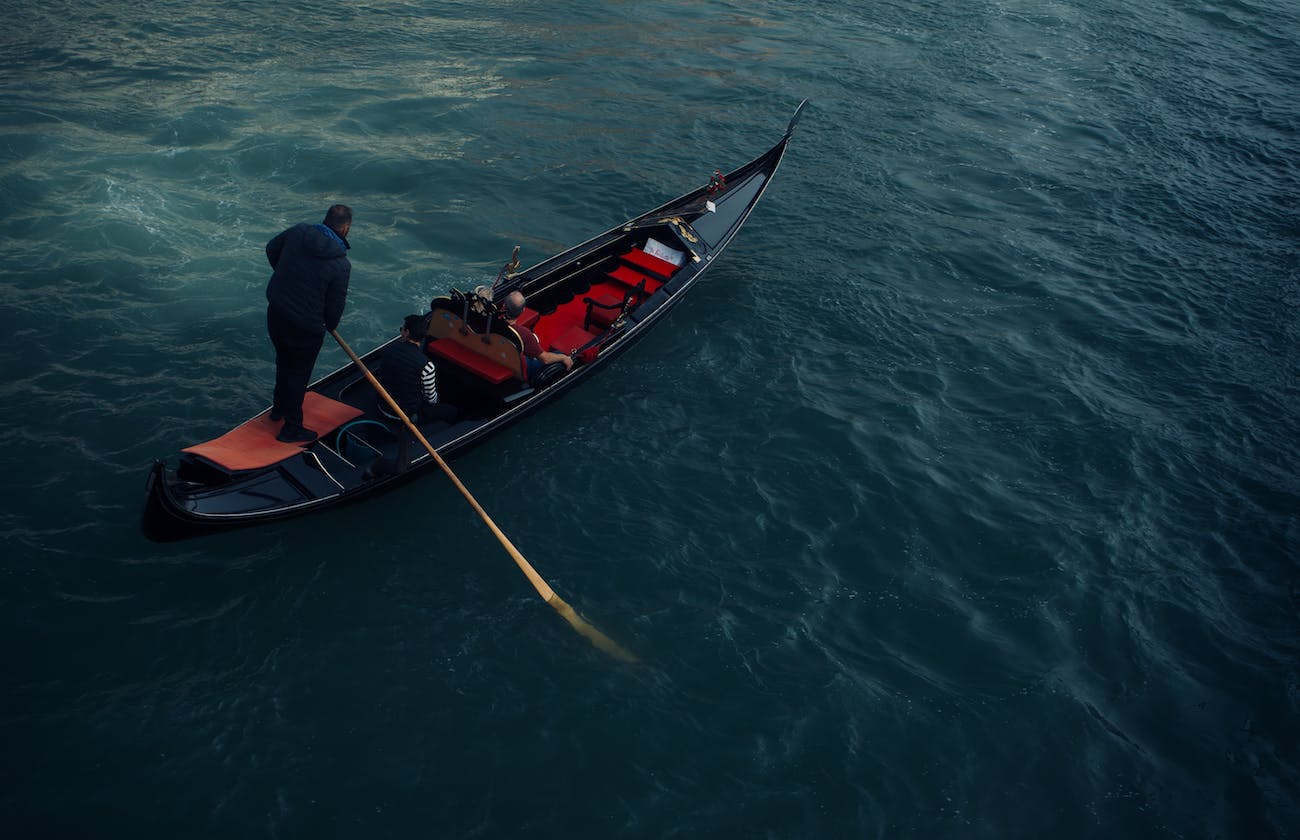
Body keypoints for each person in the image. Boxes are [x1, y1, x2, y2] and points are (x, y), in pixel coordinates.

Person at [265, 204, 352, 443]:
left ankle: (278, 410)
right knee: (298, 375)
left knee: (283, 362)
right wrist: (329, 323)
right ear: (346, 228)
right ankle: (291, 428)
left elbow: (271, 249)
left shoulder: (298, 232)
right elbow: (334, 308)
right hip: (305, 328)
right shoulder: (341, 265)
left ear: (325, 220)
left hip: (277, 312)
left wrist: (285, 278)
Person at [377, 314, 459, 424]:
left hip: (382, 405)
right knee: (452, 411)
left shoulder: (388, 350)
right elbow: (431, 399)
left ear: (406, 332)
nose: (401, 332)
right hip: (404, 416)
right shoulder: (427, 366)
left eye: (402, 329)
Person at [502, 290, 573, 381]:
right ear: (523, 311)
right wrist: (563, 357)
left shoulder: (493, 322)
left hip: (501, 355)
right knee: (561, 354)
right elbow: (545, 359)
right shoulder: (524, 333)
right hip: (521, 368)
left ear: (504, 305)